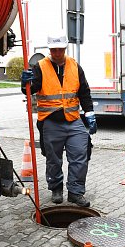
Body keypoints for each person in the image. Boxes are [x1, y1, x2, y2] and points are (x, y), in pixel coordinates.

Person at [21, 30, 97, 207]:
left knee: (80, 156)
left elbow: (84, 92)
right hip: (51, 121)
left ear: (65, 48)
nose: (56, 53)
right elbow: (30, 90)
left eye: (60, 49)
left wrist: (90, 113)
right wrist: (24, 82)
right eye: (53, 50)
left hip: (73, 120)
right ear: (49, 49)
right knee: (53, 159)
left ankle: (75, 193)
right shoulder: (40, 66)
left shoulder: (75, 66)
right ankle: (56, 189)